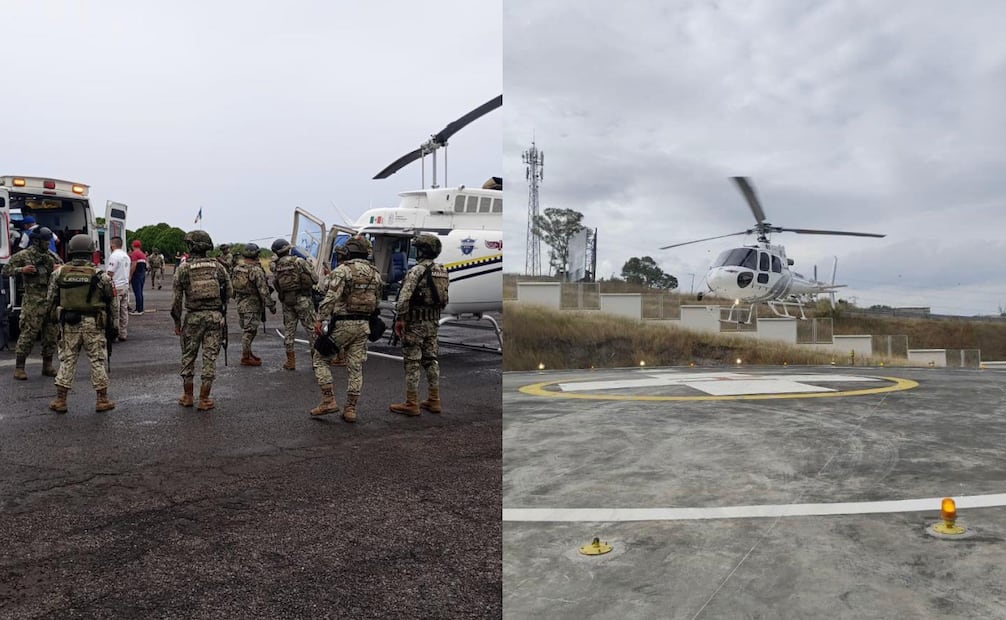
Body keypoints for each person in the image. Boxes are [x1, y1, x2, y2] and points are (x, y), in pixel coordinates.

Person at [309, 237, 384, 422]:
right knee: (355, 367)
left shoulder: (343, 270)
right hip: (364, 325)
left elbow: (331, 297)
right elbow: (378, 302)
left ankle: (328, 400)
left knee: (319, 358)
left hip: (343, 324)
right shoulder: (375, 273)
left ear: (349, 252)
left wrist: (320, 319)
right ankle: (350, 409)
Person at [46, 234, 116, 413]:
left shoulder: (59, 273)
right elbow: (111, 303)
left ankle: (61, 400)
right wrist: (112, 325)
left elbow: (50, 300)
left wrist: (53, 319)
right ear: (91, 252)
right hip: (94, 324)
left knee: (67, 360)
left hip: (69, 324)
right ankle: (102, 400)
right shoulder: (101, 276)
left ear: (71, 251)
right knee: (97, 360)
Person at [171, 230, 232, 411]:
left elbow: (176, 300)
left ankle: (188, 395)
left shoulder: (183, 269)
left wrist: (177, 322)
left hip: (193, 318)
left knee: (188, 357)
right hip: (215, 317)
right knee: (209, 357)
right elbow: (229, 292)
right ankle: (204, 398)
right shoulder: (218, 267)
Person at [389, 234, 449, 416]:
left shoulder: (416, 271)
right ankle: (434, 399)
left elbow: (403, 299)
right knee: (431, 360)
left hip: (415, 323)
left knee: (412, 361)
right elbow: (444, 299)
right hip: (433, 321)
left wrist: (400, 318)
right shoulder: (443, 270)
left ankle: (411, 402)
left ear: (422, 250)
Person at [1, 227, 59, 379]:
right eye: (45, 241)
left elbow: (63, 270)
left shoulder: (52, 256)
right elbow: (5, 270)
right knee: (28, 334)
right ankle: (19, 368)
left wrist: (60, 269)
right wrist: (22, 269)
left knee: (51, 335)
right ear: (37, 241)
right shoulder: (24, 255)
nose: (47, 244)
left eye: (49, 241)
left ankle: (47, 366)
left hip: (50, 300)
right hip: (33, 300)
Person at [270, 238, 318, 371]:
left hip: (287, 300)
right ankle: (316, 361)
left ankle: (290, 362)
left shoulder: (276, 265)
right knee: (311, 329)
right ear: (288, 249)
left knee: (289, 330)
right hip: (303, 299)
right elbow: (315, 279)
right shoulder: (299, 261)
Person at [231, 243, 276, 366]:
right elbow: (263, 290)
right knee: (249, 332)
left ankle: (248, 353)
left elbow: (232, 288)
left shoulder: (237, 268)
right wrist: (271, 305)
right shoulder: (256, 270)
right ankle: (245, 357)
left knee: (248, 330)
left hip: (241, 304)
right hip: (253, 305)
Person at [106, 237, 131, 341]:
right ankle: (123, 333)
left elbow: (110, 273)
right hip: (125, 285)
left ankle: (114, 333)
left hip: (116, 286)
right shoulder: (126, 256)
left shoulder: (114, 256)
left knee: (114, 311)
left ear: (112, 245)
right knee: (124, 311)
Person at [128, 239, 148, 315]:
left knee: (137, 292)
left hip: (136, 275)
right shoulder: (142, 254)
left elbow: (134, 265)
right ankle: (140, 308)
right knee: (140, 292)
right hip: (142, 274)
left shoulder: (135, 253)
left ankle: (138, 310)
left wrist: (130, 275)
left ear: (133, 245)